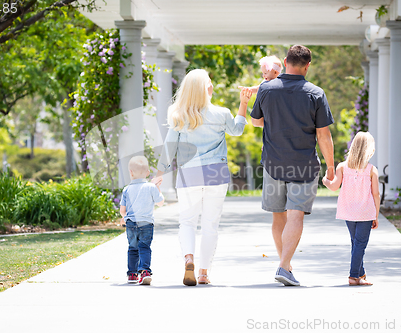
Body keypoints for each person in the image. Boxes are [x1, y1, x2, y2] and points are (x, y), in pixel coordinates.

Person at [152, 69, 252, 286]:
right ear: (206, 88)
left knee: (187, 222)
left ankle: (189, 258)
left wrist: (158, 176)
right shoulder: (222, 113)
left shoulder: (178, 115)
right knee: (210, 225)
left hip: (189, 175)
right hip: (217, 173)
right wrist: (243, 103)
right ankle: (204, 272)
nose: (212, 86)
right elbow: (237, 130)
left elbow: (169, 149)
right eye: (210, 83)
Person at [250, 45, 335, 286]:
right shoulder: (316, 93)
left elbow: (256, 121)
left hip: (273, 163)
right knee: (295, 215)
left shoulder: (266, 89)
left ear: (285, 61)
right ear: (307, 66)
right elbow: (323, 135)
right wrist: (331, 166)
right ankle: (284, 266)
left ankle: (285, 265)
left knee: (279, 217)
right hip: (304, 165)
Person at [323, 132, 380, 286]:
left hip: (348, 211)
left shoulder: (342, 167)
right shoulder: (371, 170)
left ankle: (361, 274)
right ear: (369, 150)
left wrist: (325, 181)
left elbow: (334, 186)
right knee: (360, 244)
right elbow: (376, 194)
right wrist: (376, 215)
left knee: (356, 243)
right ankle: (353, 276)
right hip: (366, 212)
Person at [120, 156, 165, 285]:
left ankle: (132, 274)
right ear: (147, 173)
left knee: (132, 248)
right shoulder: (151, 187)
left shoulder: (126, 189)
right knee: (144, 247)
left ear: (131, 172)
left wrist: (124, 217)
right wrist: (157, 187)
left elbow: (123, 210)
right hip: (146, 224)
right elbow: (160, 202)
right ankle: (145, 271)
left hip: (131, 224)